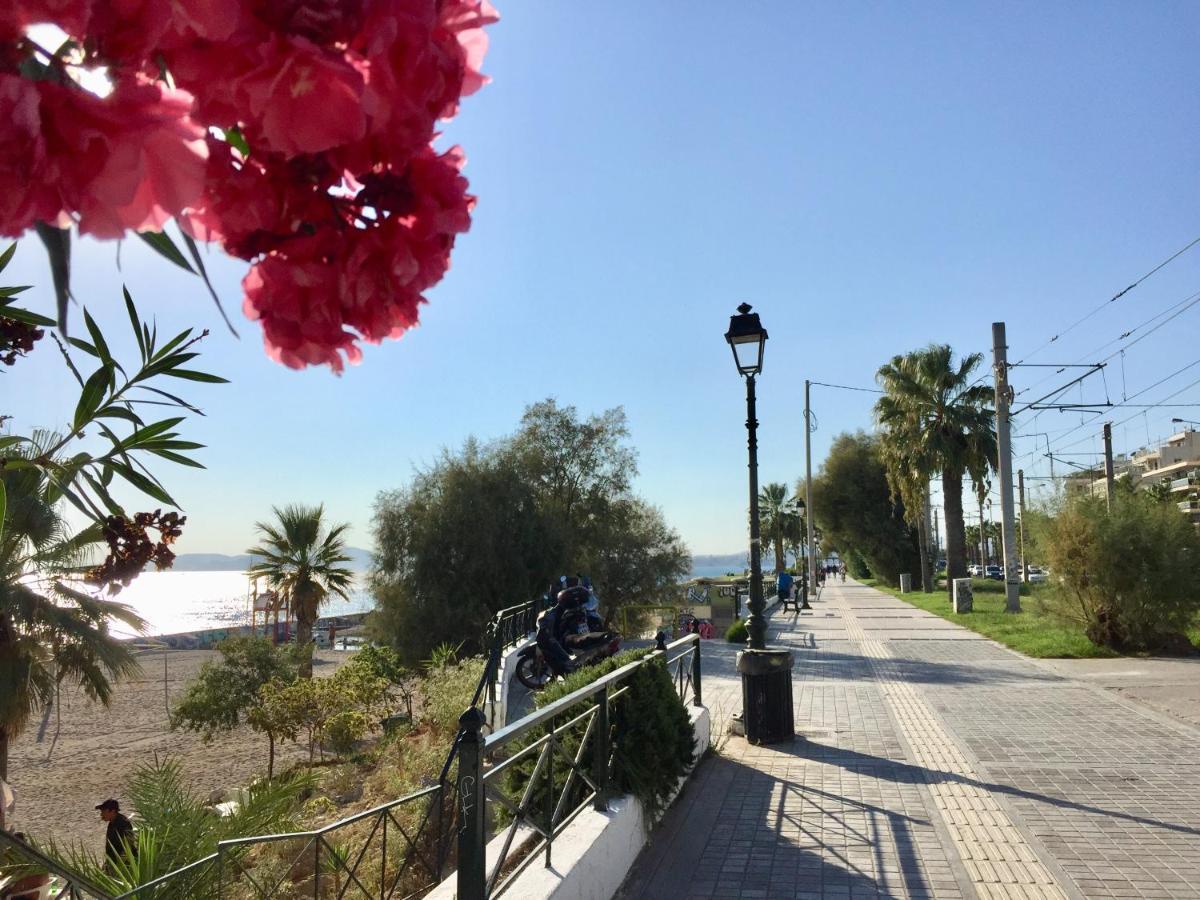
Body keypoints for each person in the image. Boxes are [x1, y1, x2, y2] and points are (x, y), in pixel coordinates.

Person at [1, 833, 51, 899]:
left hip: (29, 896)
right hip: (41, 893)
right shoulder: (37, 860)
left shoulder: (25, 864)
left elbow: (16, 890)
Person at [95, 799, 136, 870]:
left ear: (113, 811)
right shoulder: (112, 823)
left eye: (104, 811)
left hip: (124, 864)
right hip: (114, 862)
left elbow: (128, 844)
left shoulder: (123, 823)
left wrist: (120, 865)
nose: (101, 814)